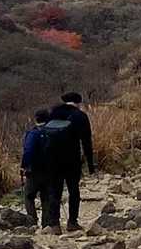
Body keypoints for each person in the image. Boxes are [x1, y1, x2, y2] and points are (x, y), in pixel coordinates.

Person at [49, 92, 96, 232]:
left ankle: (55, 224)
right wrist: (90, 164)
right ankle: (72, 222)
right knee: (73, 190)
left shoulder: (53, 113)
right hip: (72, 159)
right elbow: (87, 141)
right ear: (78, 102)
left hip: (53, 158)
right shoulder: (80, 116)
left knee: (55, 191)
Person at [21, 108, 58, 227]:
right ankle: (46, 224)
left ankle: (32, 222)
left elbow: (28, 151)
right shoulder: (53, 133)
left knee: (29, 196)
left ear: (36, 119)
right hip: (50, 171)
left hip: (34, 171)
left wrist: (24, 166)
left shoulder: (33, 133)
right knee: (46, 197)